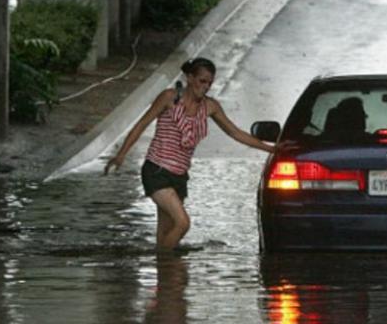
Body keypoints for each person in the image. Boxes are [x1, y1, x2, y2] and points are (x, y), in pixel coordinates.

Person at [104, 57, 276, 251]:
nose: (206, 87)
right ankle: (164, 261)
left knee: (165, 234)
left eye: (210, 83)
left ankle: (167, 277)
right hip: (157, 171)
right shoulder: (169, 98)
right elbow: (141, 124)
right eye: (202, 81)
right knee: (183, 223)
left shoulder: (210, 106)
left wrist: (272, 149)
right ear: (189, 78)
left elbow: (235, 133)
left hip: (179, 176)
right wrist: (121, 155)